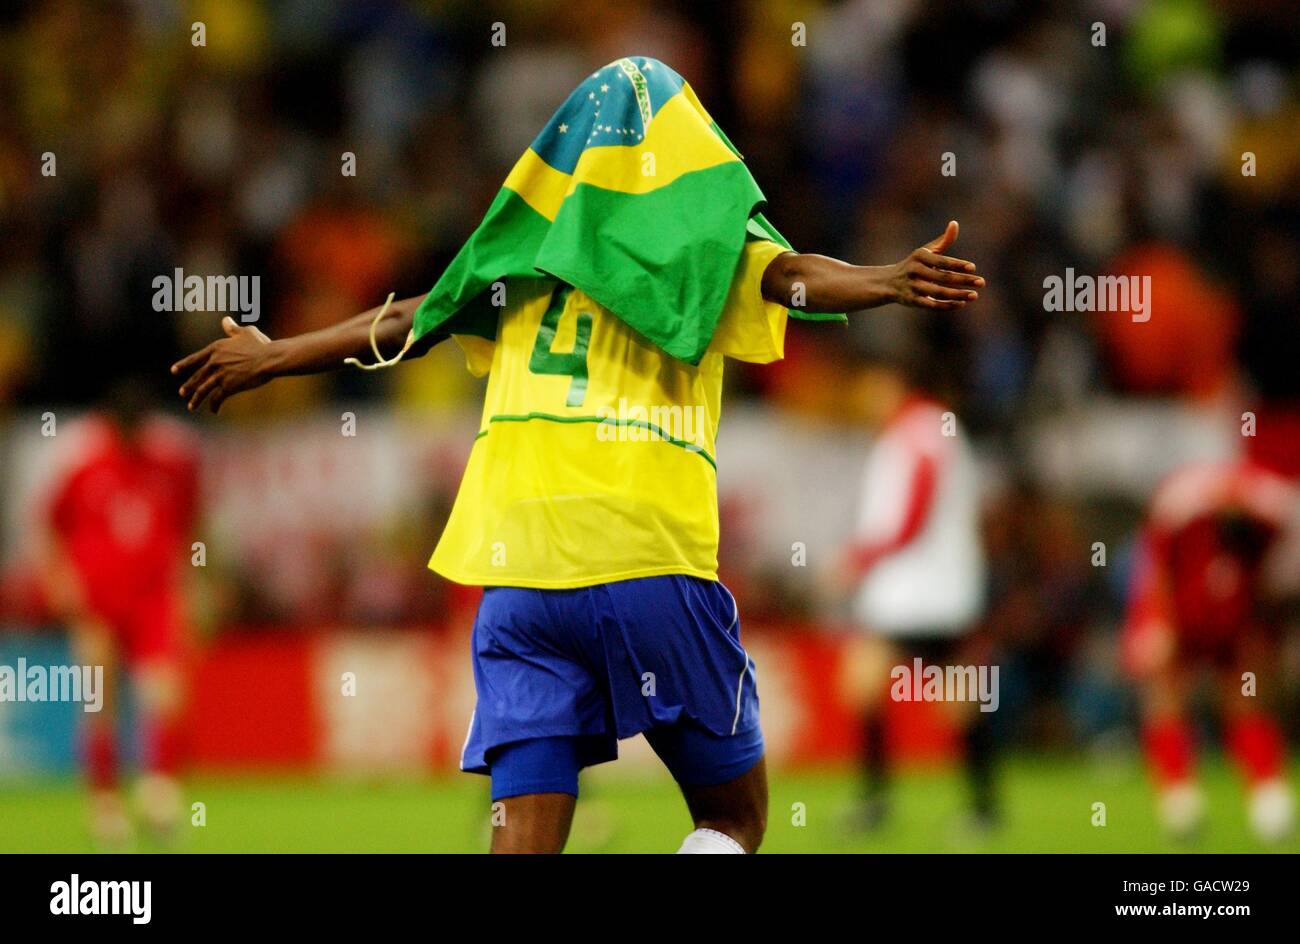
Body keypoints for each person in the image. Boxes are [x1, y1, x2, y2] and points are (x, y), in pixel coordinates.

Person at [171, 57, 982, 853]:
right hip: (647, 556)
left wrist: (275, 355)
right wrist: (886, 280)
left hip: (521, 577)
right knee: (733, 818)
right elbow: (796, 278)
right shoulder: (703, 251)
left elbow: (408, 321)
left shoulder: (519, 262)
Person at [824, 346, 991, 831]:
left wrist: (858, 559)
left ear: (889, 380)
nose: (862, 398)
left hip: (919, 590)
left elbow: (913, 510)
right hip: (937, 587)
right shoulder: (928, 428)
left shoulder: (918, 430)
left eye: (867, 385)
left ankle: (880, 804)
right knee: (925, 693)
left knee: (875, 685)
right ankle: (980, 808)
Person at [44, 378, 198, 845]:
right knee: (98, 701)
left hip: (153, 596)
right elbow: (52, 527)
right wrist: (60, 578)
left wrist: (195, 579)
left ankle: (159, 792)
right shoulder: (81, 462)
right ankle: (105, 805)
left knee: (164, 692)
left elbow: (191, 521)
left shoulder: (172, 461)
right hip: (96, 601)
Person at [1124, 457, 1298, 842]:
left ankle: (1269, 800)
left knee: (1247, 698)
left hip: (1238, 617)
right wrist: (1155, 620)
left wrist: (1265, 630)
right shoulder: (1180, 514)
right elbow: (1153, 567)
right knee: (1165, 694)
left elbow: (1277, 582)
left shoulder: (1274, 516)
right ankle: (1180, 803)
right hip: (1181, 613)